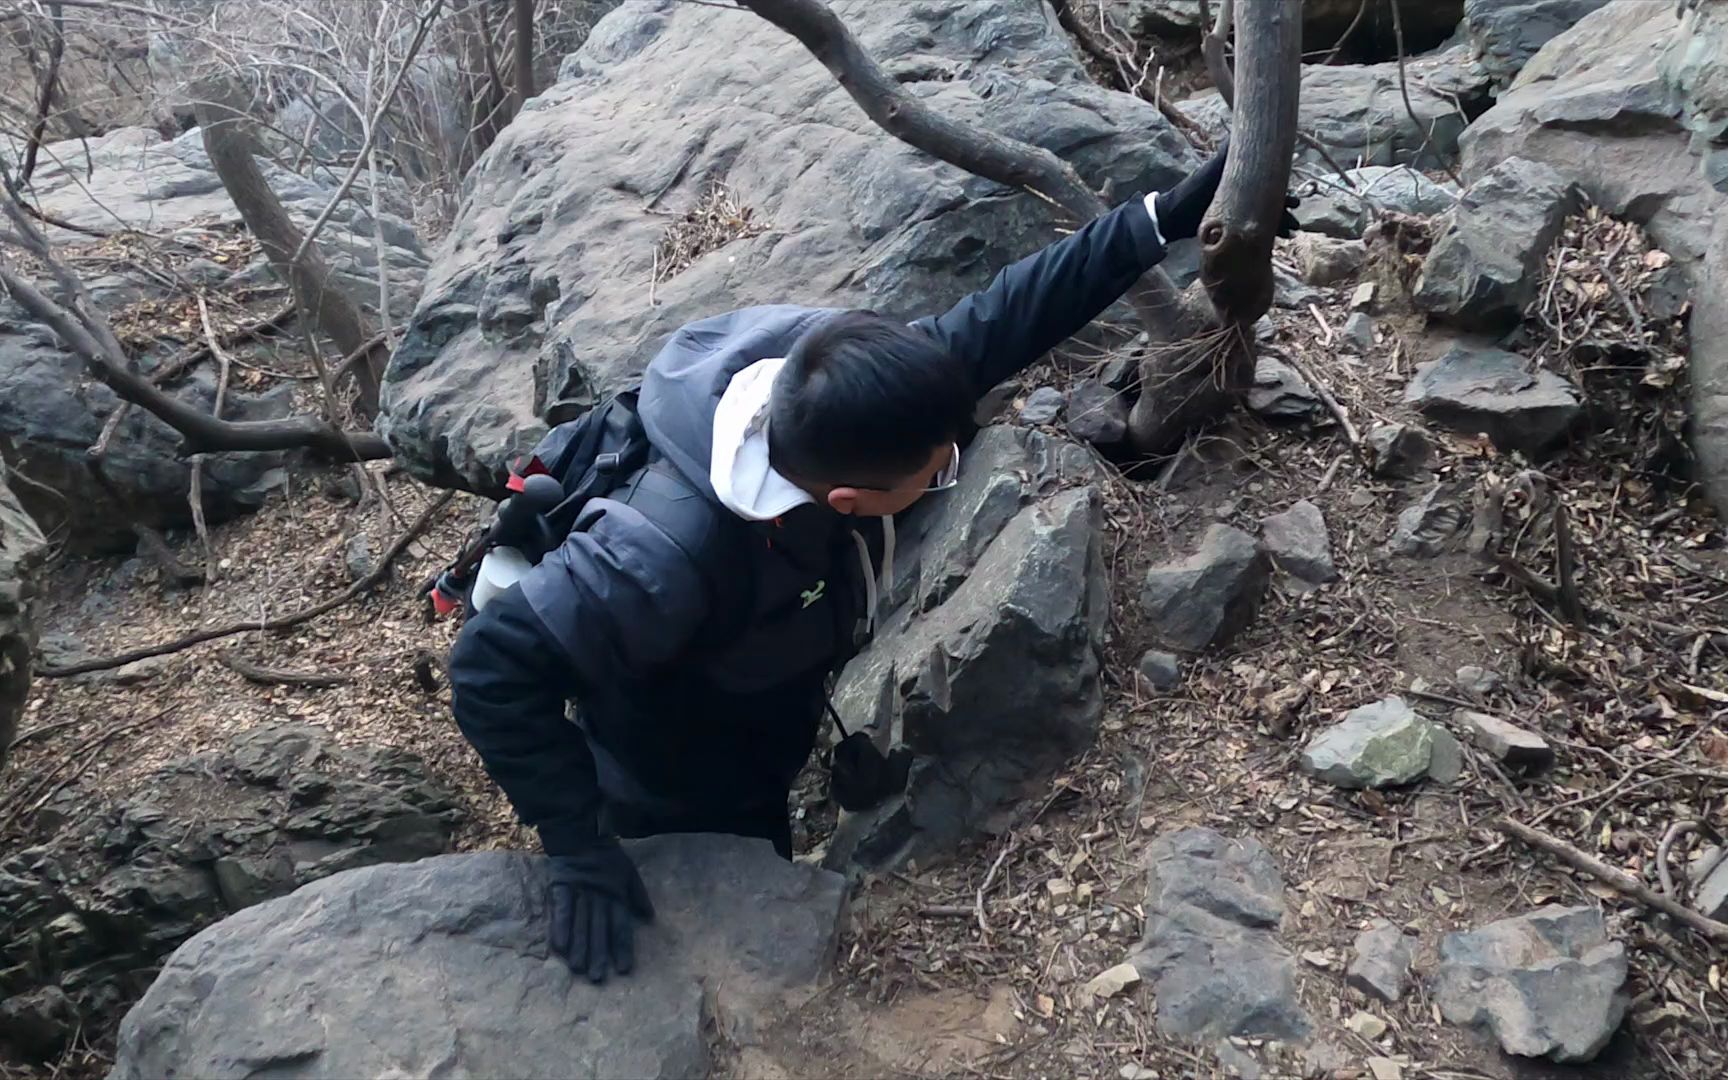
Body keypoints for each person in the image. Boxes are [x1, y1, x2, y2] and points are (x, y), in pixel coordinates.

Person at [449, 141, 1295, 984]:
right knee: (723, 920)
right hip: (662, 763)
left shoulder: (850, 396)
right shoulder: (657, 559)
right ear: (847, 503)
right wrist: (577, 844)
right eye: (938, 474)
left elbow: (1015, 309)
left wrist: (1168, 217)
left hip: (763, 685)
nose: (946, 471)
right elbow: (491, 670)